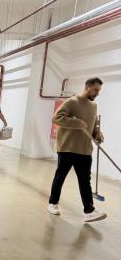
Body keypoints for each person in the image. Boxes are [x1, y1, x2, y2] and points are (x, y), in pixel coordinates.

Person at [48, 77, 106, 223]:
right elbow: (56, 118)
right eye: (95, 90)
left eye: (99, 90)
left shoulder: (94, 106)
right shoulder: (72, 101)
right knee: (60, 177)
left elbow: (92, 125)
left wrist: (97, 134)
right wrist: (76, 122)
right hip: (67, 147)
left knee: (85, 181)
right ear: (87, 87)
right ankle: (52, 203)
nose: (97, 93)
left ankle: (89, 211)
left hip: (85, 149)